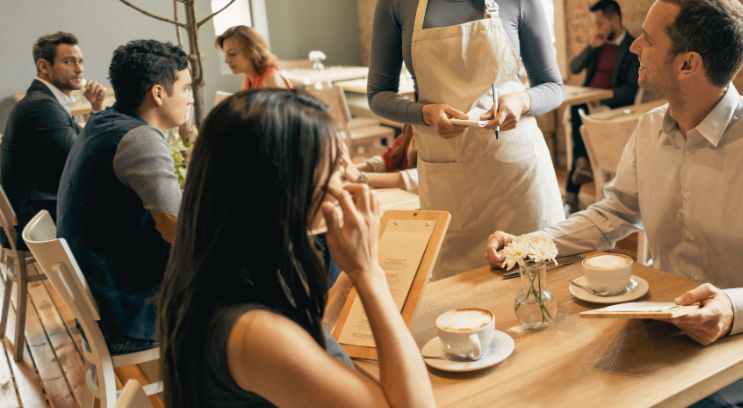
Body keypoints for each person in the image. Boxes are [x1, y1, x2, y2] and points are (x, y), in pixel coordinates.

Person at [485, 0, 743, 407]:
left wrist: (735, 308)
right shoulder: (648, 130)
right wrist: (530, 246)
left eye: (648, 39)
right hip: (664, 330)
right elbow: (612, 215)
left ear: (687, 64)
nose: (634, 47)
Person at [158, 90, 434, 407]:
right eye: (331, 168)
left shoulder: (216, 272)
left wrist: (345, 285)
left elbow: (300, 344)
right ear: (280, 182)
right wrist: (368, 273)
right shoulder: (252, 333)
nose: (344, 183)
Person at [367, 0, 564, 277]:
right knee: (456, 305)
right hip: (447, 182)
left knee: (536, 298)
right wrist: (423, 113)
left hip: (519, 179)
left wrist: (521, 102)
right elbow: (378, 95)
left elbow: (552, 86)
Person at [57, 39, 191, 354]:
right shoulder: (139, 138)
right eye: (185, 89)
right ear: (158, 93)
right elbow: (176, 229)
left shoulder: (102, 121)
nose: (190, 99)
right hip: (130, 314)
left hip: (104, 299)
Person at [1, 32, 104, 249]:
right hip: (36, 221)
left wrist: (96, 108)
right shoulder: (41, 107)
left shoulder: (44, 101)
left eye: (80, 61)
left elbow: (82, 143)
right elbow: (83, 158)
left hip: (36, 210)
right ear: (44, 66)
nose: (79, 69)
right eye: (69, 62)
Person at [564, 0, 639, 210]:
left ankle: (571, 192)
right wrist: (590, 47)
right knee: (578, 108)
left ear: (614, 20)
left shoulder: (632, 48)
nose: (597, 28)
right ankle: (582, 164)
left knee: (579, 111)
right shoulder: (598, 45)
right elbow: (574, 68)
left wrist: (603, 96)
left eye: (600, 23)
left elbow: (631, 90)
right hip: (586, 104)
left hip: (609, 107)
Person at [342, 125, 419, 192]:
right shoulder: (408, 133)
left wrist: (360, 177)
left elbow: (411, 178)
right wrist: (346, 169)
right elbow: (387, 160)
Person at [216, 25, 292, 90]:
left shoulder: (271, 80)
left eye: (232, 53)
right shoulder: (249, 80)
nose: (226, 60)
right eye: (225, 54)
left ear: (252, 51)